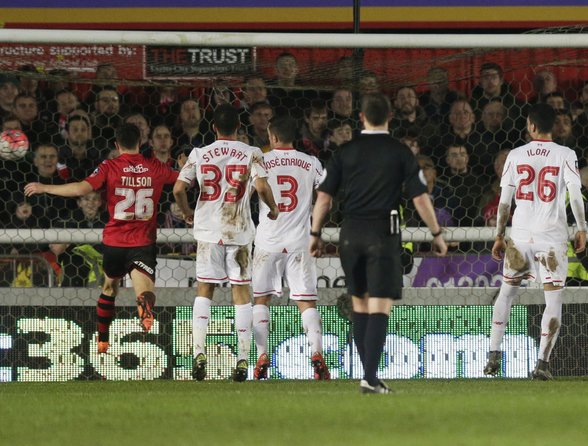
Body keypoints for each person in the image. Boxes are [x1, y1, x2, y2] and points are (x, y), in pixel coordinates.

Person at [309, 93, 448, 394]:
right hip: (383, 233)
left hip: (350, 233)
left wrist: (315, 233)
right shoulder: (399, 152)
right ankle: (370, 378)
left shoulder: (345, 151)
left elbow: (323, 197)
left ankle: (368, 375)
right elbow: (420, 197)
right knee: (379, 306)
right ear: (390, 117)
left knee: (359, 304)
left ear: (361, 117)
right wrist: (436, 233)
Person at [24, 123, 178, 354]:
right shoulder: (154, 167)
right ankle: (144, 306)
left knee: (108, 289)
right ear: (141, 143)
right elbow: (182, 180)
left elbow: (80, 189)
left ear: (117, 145)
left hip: (115, 242)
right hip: (143, 241)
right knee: (143, 290)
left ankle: (103, 340)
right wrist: (188, 166)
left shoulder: (110, 165)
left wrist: (45, 187)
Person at [173, 105, 280, 383]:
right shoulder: (252, 152)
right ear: (238, 128)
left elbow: (177, 189)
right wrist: (273, 208)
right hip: (240, 231)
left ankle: (198, 352)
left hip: (208, 231)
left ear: (213, 128)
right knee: (241, 293)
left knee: (205, 289)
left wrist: (187, 212)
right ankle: (243, 358)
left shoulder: (199, 153)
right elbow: (262, 187)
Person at [483, 103, 587, 381]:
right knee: (552, 297)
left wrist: (498, 234)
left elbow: (505, 201)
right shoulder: (566, 154)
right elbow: (575, 195)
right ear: (554, 126)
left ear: (530, 126)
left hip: (520, 236)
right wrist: (581, 228)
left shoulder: (515, 155)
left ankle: (494, 353)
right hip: (551, 238)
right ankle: (542, 363)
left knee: (507, 292)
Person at [250, 117, 331, 381]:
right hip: (299, 241)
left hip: (267, 241)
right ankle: (317, 354)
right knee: (306, 302)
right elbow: (328, 195)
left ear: (272, 137)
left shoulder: (260, 160)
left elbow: (248, 191)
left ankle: (262, 355)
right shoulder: (311, 162)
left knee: (261, 300)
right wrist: (316, 225)